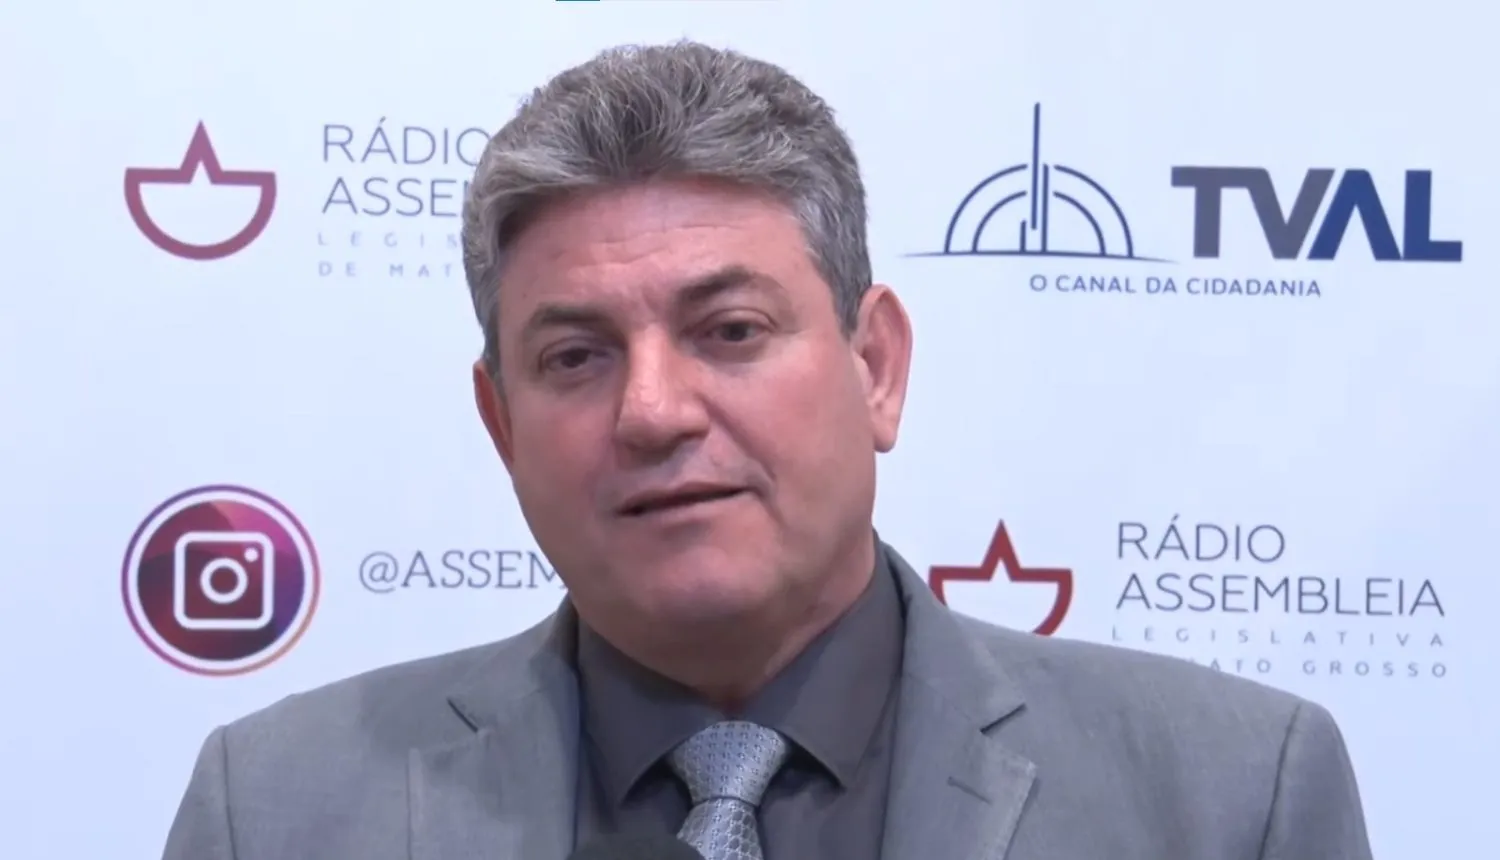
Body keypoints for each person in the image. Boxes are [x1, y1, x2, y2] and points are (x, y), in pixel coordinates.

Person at [160, 40, 1374, 860]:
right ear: (502, 424)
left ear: (875, 365)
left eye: (730, 331)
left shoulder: (1229, 798)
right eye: (576, 355)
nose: (653, 410)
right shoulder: (274, 810)